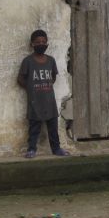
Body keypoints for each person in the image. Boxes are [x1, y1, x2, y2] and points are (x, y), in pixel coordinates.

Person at [18, 30, 70, 159]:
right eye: (37, 42)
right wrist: (31, 88)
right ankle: (31, 149)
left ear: (47, 43)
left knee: (53, 127)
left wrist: (46, 85)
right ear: (32, 44)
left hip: (49, 100)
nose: (41, 44)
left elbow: (53, 77)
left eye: (43, 42)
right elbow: (20, 79)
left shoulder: (51, 61)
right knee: (34, 127)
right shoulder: (28, 61)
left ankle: (56, 149)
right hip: (35, 101)